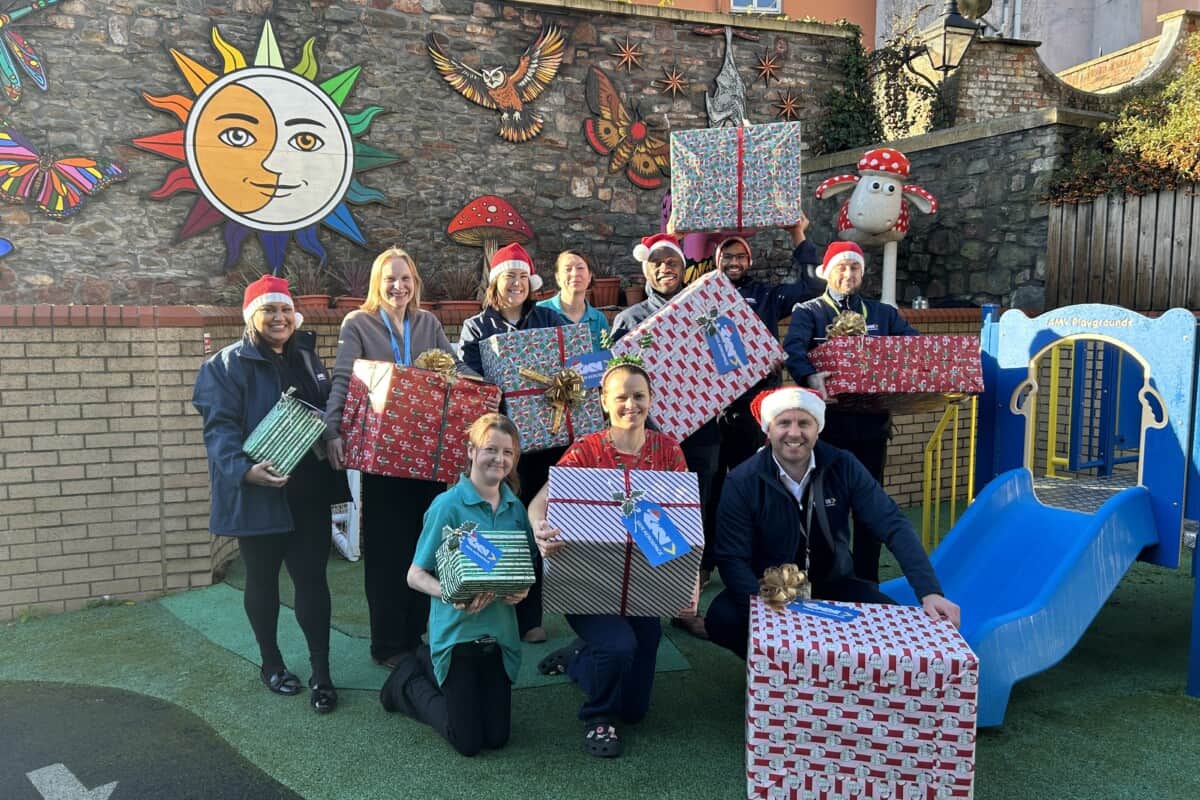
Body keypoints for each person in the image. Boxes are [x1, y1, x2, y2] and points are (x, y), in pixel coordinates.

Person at [704, 387, 961, 659]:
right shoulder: (743, 480)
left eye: (804, 423)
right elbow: (732, 557)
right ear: (769, 429)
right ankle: (770, 665)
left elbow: (893, 524)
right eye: (783, 423)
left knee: (888, 620)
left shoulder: (843, 465)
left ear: (818, 427)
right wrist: (767, 612)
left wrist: (930, 591)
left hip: (833, 584)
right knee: (723, 618)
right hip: (771, 589)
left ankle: (841, 674)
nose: (794, 433)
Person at [193, 275, 349, 714]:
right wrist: (246, 471)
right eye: (269, 310)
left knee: (313, 582)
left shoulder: (306, 354)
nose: (279, 318)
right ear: (251, 317)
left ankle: (322, 673)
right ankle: (272, 663)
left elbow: (323, 412)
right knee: (262, 582)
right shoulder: (223, 366)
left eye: (285, 310)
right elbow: (219, 431)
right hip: (258, 493)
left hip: (308, 492)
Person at [324, 246, 479, 669]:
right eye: (390, 278)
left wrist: (484, 388)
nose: (399, 286)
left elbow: (453, 367)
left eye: (406, 278)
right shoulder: (358, 323)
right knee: (388, 549)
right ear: (378, 282)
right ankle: (388, 644)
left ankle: (416, 635)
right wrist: (332, 429)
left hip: (427, 454)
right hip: (384, 455)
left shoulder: (427, 322)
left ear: (415, 282)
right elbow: (343, 377)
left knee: (424, 543)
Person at [526, 359, 691, 758]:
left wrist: (689, 582)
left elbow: (684, 523)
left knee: (635, 709)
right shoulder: (586, 449)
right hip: (586, 583)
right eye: (621, 397)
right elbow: (540, 502)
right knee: (618, 646)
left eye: (639, 396)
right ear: (603, 401)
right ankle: (597, 717)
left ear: (651, 399)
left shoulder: (668, 451)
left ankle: (579, 658)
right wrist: (539, 529)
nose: (630, 405)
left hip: (643, 587)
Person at [380, 413, 532, 757]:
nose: (499, 459)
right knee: (468, 743)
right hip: (458, 636)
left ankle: (432, 668)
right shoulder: (448, 505)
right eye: (490, 449)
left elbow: (519, 570)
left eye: (508, 453)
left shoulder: (515, 509)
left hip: (500, 637)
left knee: (498, 738)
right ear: (471, 450)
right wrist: (449, 594)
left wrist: (521, 592)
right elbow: (415, 575)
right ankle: (406, 681)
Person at [782, 241, 919, 583]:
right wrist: (810, 374)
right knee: (830, 507)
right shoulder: (809, 312)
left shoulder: (883, 313)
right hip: (830, 429)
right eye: (841, 267)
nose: (848, 273)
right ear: (827, 271)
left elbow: (914, 348)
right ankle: (831, 580)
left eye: (854, 267)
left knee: (870, 508)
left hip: (873, 428)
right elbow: (793, 351)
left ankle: (867, 582)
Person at [610, 233, 720, 640]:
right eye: (656, 262)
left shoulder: (705, 309)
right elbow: (615, 383)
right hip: (648, 438)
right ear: (646, 269)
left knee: (694, 515)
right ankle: (640, 598)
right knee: (646, 513)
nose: (664, 269)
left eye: (671, 262)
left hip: (702, 433)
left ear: (683, 267)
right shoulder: (629, 320)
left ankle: (685, 605)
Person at [707, 216, 822, 581]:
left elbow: (810, 285)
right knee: (710, 490)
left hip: (759, 409)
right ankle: (706, 564)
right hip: (712, 410)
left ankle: (753, 564)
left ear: (749, 261)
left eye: (740, 256)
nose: (734, 263)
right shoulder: (702, 296)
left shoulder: (769, 295)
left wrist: (797, 234)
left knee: (757, 486)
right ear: (716, 262)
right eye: (727, 257)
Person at [460, 242, 564, 644]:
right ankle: (492, 609)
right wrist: (498, 384)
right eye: (509, 276)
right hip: (498, 440)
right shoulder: (476, 327)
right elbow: (466, 371)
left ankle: (530, 615)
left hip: (544, 438)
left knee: (534, 521)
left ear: (531, 282)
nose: (516, 283)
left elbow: (567, 364)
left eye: (523, 276)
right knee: (497, 522)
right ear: (495, 282)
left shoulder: (550, 319)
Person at [536, 249, 612, 351]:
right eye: (568, 269)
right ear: (557, 277)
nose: (575, 274)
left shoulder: (599, 319)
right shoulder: (539, 312)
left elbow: (606, 361)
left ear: (589, 276)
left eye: (580, 268)